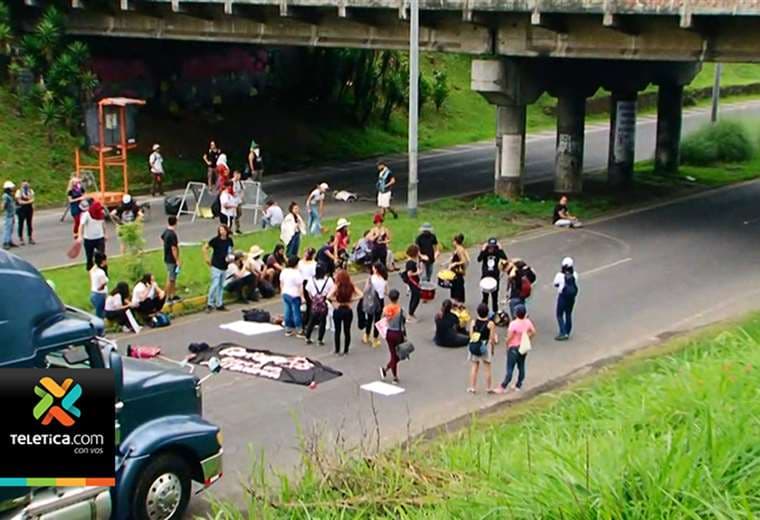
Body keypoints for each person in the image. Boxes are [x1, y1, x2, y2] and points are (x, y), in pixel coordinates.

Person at [498, 304, 535, 393]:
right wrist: (527, 337)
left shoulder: (513, 324)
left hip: (513, 347)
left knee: (510, 368)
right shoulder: (527, 322)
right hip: (522, 347)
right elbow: (533, 332)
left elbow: (510, 337)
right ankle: (518, 384)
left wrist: (507, 342)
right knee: (521, 366)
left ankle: (503, 386)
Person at [328, 269, 362, 355]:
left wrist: (337, 300)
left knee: (337, 331)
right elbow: (361, 294)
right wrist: (351, 299)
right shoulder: (351, 285)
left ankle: (337, 349)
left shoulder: (337, 286)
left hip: (338, 309)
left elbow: (328, 296)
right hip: (348, 310)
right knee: (347, 331)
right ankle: (346, 349)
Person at [468, 303, 497, 393]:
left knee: (474, 366)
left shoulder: (473, 322)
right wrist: (492, 349)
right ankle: (488, 387)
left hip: (476, 344)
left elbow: (471, 335)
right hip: (485, 345)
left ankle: (472, 387)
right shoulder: (490, 324)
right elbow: (492, 338)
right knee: (487, 367)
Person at [203, 225, 233, 312]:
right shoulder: (215, 240)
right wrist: (207, 259)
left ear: (227, 231)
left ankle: (219, 303)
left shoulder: (229, 240)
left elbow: (230, 250)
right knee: (215, 284)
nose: (222, 232)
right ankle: (210, 303)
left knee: (221, 286)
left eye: (223, 230)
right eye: (220, 230)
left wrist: (230, 258)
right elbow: (205, 247)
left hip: (224, 265)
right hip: (216, 265)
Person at [304, 264, 335, 346]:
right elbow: (332, 290)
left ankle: (307, 337)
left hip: (314, 302)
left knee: (312, 320)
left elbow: (308, 290)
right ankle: (320, 339)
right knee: (323, 321)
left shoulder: (311, 280)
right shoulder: (329, 280)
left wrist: (313, 298)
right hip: (324, 302)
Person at [379, 289, 405, 384]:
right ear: (397, 298)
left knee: (393, 354)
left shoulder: (386, 309)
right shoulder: (400, 309)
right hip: (398, 333)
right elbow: (403, 323)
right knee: (398, 355)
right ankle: (392, 375)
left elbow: (384, 318)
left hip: (389, 332)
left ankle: (388, 371)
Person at [477, 238, 508, 314]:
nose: (491, 248)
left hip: (495, 277)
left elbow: (505, 258)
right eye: (490, 247)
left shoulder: (497, 251)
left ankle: (495, 312)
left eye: (493, 247)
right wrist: (483, 250)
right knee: (485, 298)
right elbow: (479, 259)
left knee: (495, 297)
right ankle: (484, 313)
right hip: (485, 277)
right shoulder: (485, 251)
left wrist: (501, 249)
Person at [363, 261, 388, 348]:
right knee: (377, 320)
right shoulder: (384, 279)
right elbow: (386, 291)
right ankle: (375, 339)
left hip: (371, 300)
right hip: (380, 301)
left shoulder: (371, 279)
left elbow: (366, 290)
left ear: (376, 270)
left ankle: (366, 335)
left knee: (369, 319)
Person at [553, 256, 579, 341]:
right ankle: (567, 331)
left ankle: (563, 332)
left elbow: (555, 284)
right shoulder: (574, 274)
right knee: (568, 314)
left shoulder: (560, 275)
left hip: (563, 296)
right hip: (571, 297)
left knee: (559, 314)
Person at [78, 200, 107, 271]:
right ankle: (90, 272)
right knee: (89, 257)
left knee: (102, 256)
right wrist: (80, 236)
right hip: (88, 239)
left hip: (99, 238)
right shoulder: (86, 214)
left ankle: (104, 272)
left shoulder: (101, 213)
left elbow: (103, 224)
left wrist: (105, 234)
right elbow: (81, 225)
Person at [280, 256, 304, 337]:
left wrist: (282, 291)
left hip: (285, 292)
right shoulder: (297, 273)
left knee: (287, 310)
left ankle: (288, 329)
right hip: (294, 294)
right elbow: (300, 286)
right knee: (296, 312)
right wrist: (302, 297)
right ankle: (299, 329)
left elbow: (281, 282)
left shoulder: (284, 271)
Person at [161, 216, 180, 302]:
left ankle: (173, 294)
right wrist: (177, 260)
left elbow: (161, 238)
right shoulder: (172, 234)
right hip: (171, 260)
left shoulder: (166, 232)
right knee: (171, 278)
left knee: (173, 277)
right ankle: (166, 296)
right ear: (176, 222)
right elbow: (174, 248)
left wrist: (165, 246)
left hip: (167, 257)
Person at [404, 245, 423, 321]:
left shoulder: (413, 261)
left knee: (414, 297)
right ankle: (410, 314)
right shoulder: (410, 263)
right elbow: (409, 274)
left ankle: (411, 312)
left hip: (414, 281)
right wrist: (418, 272)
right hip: (413, 281)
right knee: (416, 297)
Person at [449, 234, 469, 304]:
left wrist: (455, 264)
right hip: (454, 271)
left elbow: (464, 260)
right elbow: (452, 258)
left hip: (457, 271)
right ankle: (455, 299)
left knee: (458, 285)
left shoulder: (459, 249)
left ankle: (458, 301)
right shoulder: (457, 249)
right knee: (454, 285)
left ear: (455, 241)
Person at [89, 251, 109, 319]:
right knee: (100, 314)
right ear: (103, 261)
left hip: (93, 293)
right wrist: (101, 288)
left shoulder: (93, 270)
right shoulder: (101, 273)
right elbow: (103, 284)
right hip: (100, 295)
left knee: (98, 311)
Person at [15, 180, 34, 245]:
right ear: (21, 185)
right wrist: (28, 201)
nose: (26, 185)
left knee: (29, 223)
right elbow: (19, 201)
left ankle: (30, 237)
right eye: (24, 184)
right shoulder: (19, 191)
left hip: (29, 209)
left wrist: (28, 201)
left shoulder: (30, 191)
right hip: (21, 209)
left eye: (27, 184)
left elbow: (32, 199)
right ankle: (21, 238)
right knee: (21, 224)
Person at [67, 174, 86, 238]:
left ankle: (80, 232)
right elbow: (70, 200)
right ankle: (75, 232)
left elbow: (84, 194)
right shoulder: (70, 191)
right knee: (77, 220)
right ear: (72, 183)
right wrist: (78, 199)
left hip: (81, 205)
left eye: (78, 182)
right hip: (74, 206)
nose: (77, 183)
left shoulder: (80, 188)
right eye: (76, 182)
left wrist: (83, 197)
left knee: (82, 220)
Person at [2, 181, 16, 250]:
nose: (13, 188)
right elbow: (3, 205)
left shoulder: (10, 195)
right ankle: (5, 242)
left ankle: (9, 241)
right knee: (7, 229)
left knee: (11, 229)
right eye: (11, 187)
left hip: (11, 214)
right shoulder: (5, 196)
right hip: (8, 215)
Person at [231, 170, 244, 234]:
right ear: (234, 175)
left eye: (239, 175)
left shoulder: (240, 182)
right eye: (237, 175)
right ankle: (232, 228)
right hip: (232, 201)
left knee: (239, 214)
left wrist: (241, 196)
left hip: (238, 201)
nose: (238, 177)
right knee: (233, 215)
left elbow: (242, 190)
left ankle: (237, 228)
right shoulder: (231, 182)